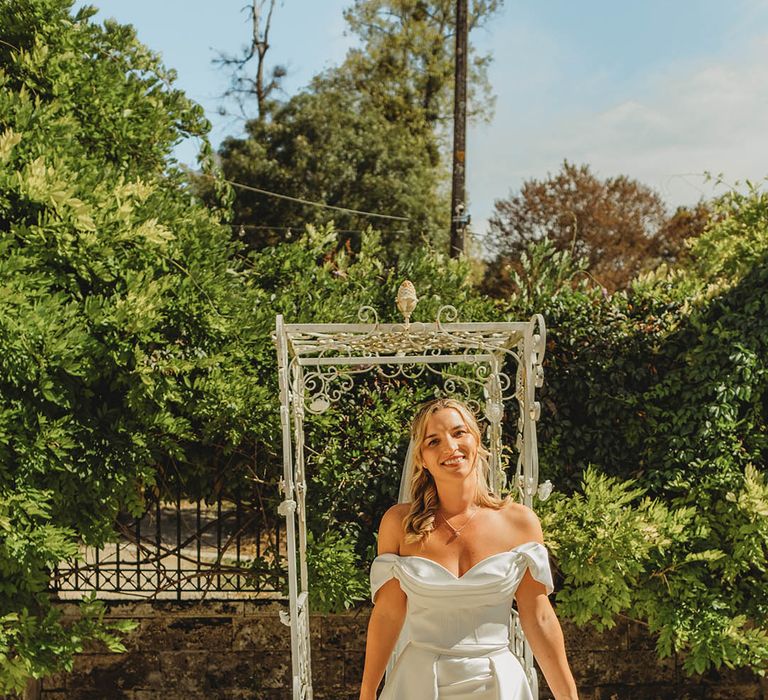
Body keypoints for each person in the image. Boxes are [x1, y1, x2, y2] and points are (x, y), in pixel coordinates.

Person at [359, 398, 579, 700]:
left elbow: (538, 617)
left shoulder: (520, 523)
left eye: (459, 432)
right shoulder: (399, 524)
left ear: (476, 439)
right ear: (421, 457)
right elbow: (388, 614)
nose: (450, 447)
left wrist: (568, 697)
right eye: (433, 441)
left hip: (498, 684)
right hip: (418, 684)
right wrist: (368, 692)